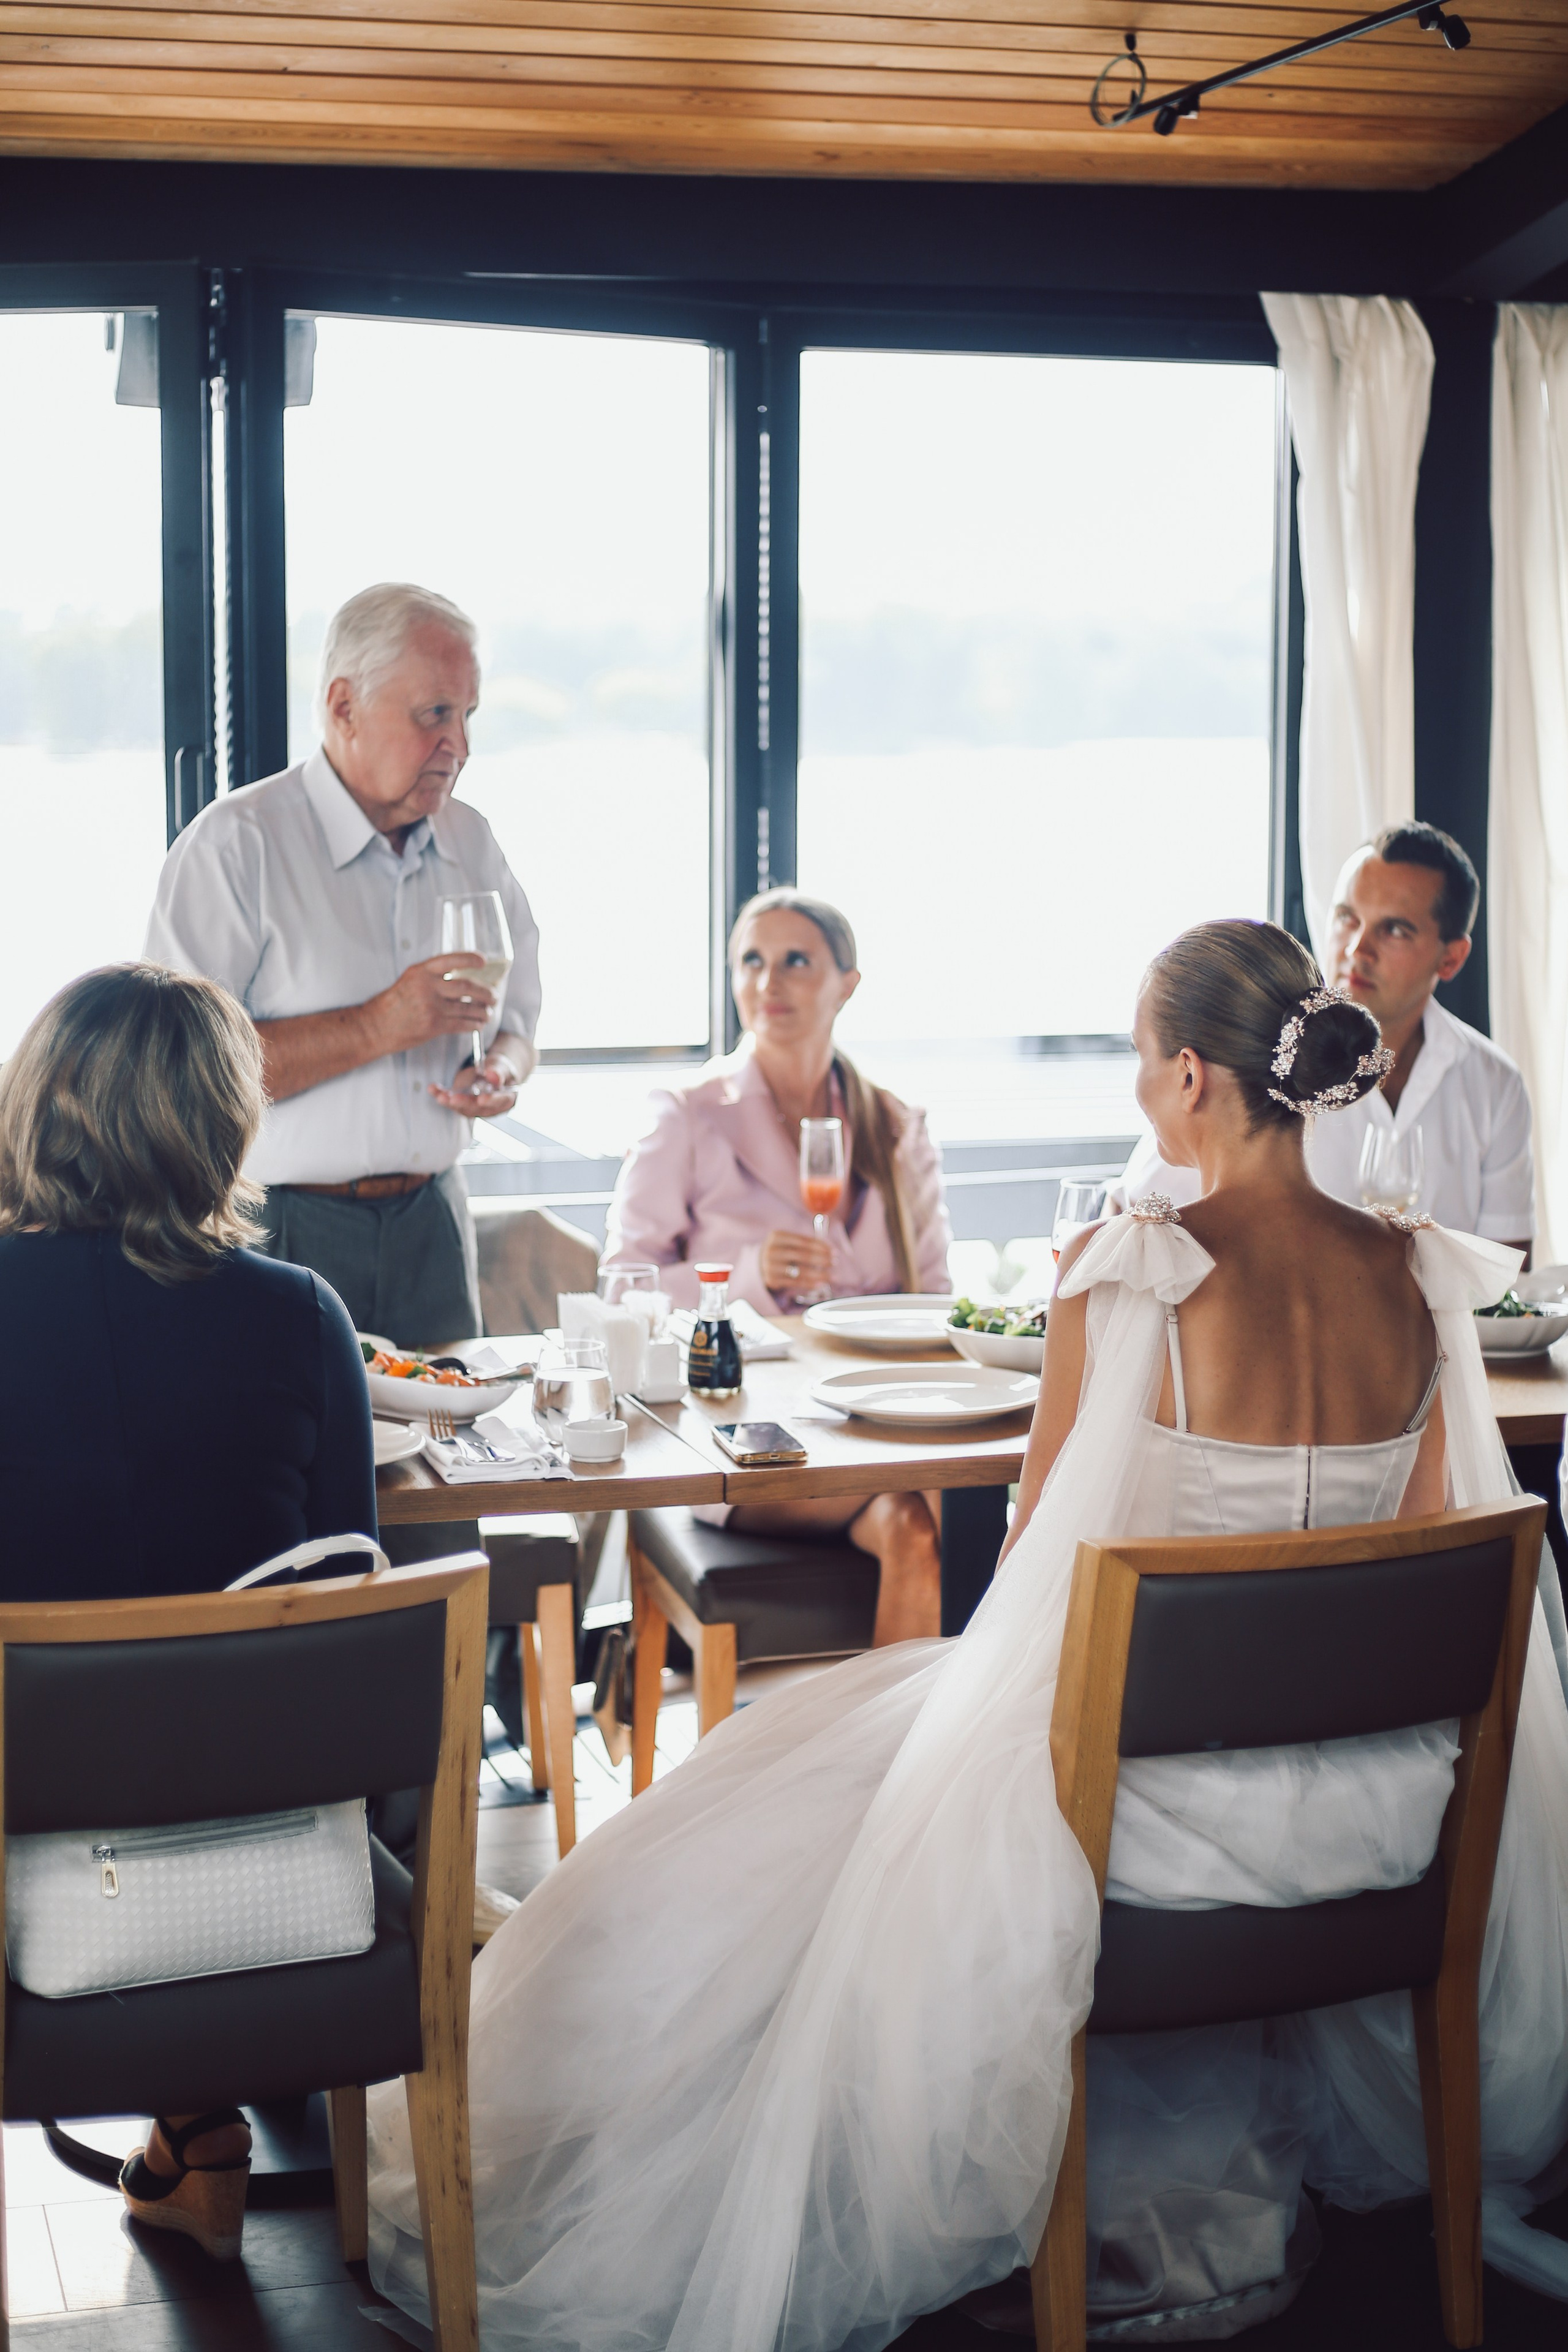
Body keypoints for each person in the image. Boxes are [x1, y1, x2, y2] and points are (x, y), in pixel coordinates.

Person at [364, 918, 1568, 2347]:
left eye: (1136, 1062)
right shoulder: (1416, 1273)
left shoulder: (1133, 1270)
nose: (1137, 1090)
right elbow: (1413, 1540)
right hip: (1381, 1825)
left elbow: (1043, 1563)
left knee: (786, 1809)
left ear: (1188, 1076)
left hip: (1158, 1824)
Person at [0, 963, 379, 2263]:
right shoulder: (299, 1317)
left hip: (26, 1817)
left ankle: (195, 2127)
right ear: (221, 1123)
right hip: (262, 1837)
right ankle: (196, 2122)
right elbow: (346, 1586)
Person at [145, 581, 541, 1350]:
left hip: (435, 1222)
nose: (459, 744)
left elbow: (520, 1020)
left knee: (461, 1468)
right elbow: (181, 1075)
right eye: (434, 714)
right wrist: (382, 1024)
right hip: (280, 1228)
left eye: (467, 716)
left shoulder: (474, 842)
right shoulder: (237, 846)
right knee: (277, 1463)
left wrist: (503, 1070)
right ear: (343, 705)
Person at [603, 888, 953, 1643]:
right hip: (740, 1429)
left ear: (846, 985)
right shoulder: (686, 1112)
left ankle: (905, 1758)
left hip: (874, 1419)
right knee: (939, 1516)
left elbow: (936, 1301)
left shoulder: (893, 1126)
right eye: (751, 962)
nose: (769, 983)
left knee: (917, 1530)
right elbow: (622, 1288)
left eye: (797, 961)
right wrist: (746, 1273)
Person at [1113, 824, 1534, 1254]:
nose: (1356, 949)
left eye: (1394, 930)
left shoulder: (1496, 1085)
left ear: (1452, 957)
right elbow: (1127, 1217)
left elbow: (1507, 1270)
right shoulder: (1254, 1070)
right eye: (1347, 917)